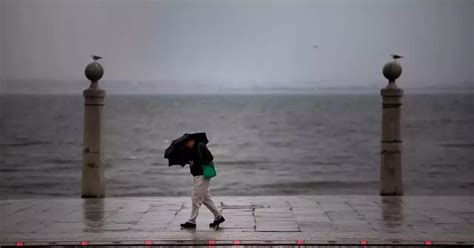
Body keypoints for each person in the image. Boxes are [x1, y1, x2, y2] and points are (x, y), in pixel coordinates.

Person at [180, 138, 225, 228]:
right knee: (205, 198)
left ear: (191, 140)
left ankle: (192, 221)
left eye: (186, 143)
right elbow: (190, 161)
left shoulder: (200, 145)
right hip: (196, 176)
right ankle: (218, 217)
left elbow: (210, 157)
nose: (186, 145)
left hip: (203, 175)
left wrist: (199, 162)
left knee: (195, 198)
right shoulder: (189, 149)